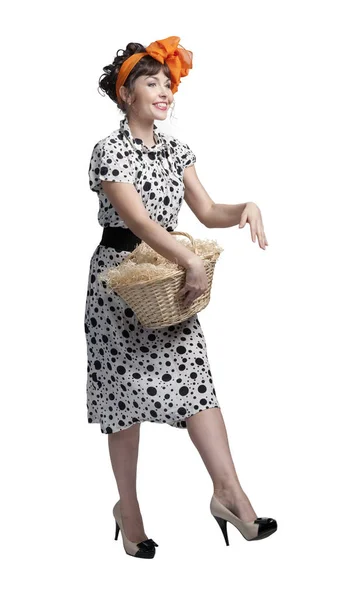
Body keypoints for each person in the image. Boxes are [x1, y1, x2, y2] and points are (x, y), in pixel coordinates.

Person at [85, 36, 277, 559]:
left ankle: (230, 495)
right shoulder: (109, 150)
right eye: (153, 83)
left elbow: (208, 210)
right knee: (122, 402)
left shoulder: (177, 149)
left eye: (168, 83)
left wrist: (246, 207)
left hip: (166, 284)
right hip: (119, 285)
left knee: (197, 382)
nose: (165, 91)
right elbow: (138, 221)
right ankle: (131, 514)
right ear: (127, 94)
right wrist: (189, 260)